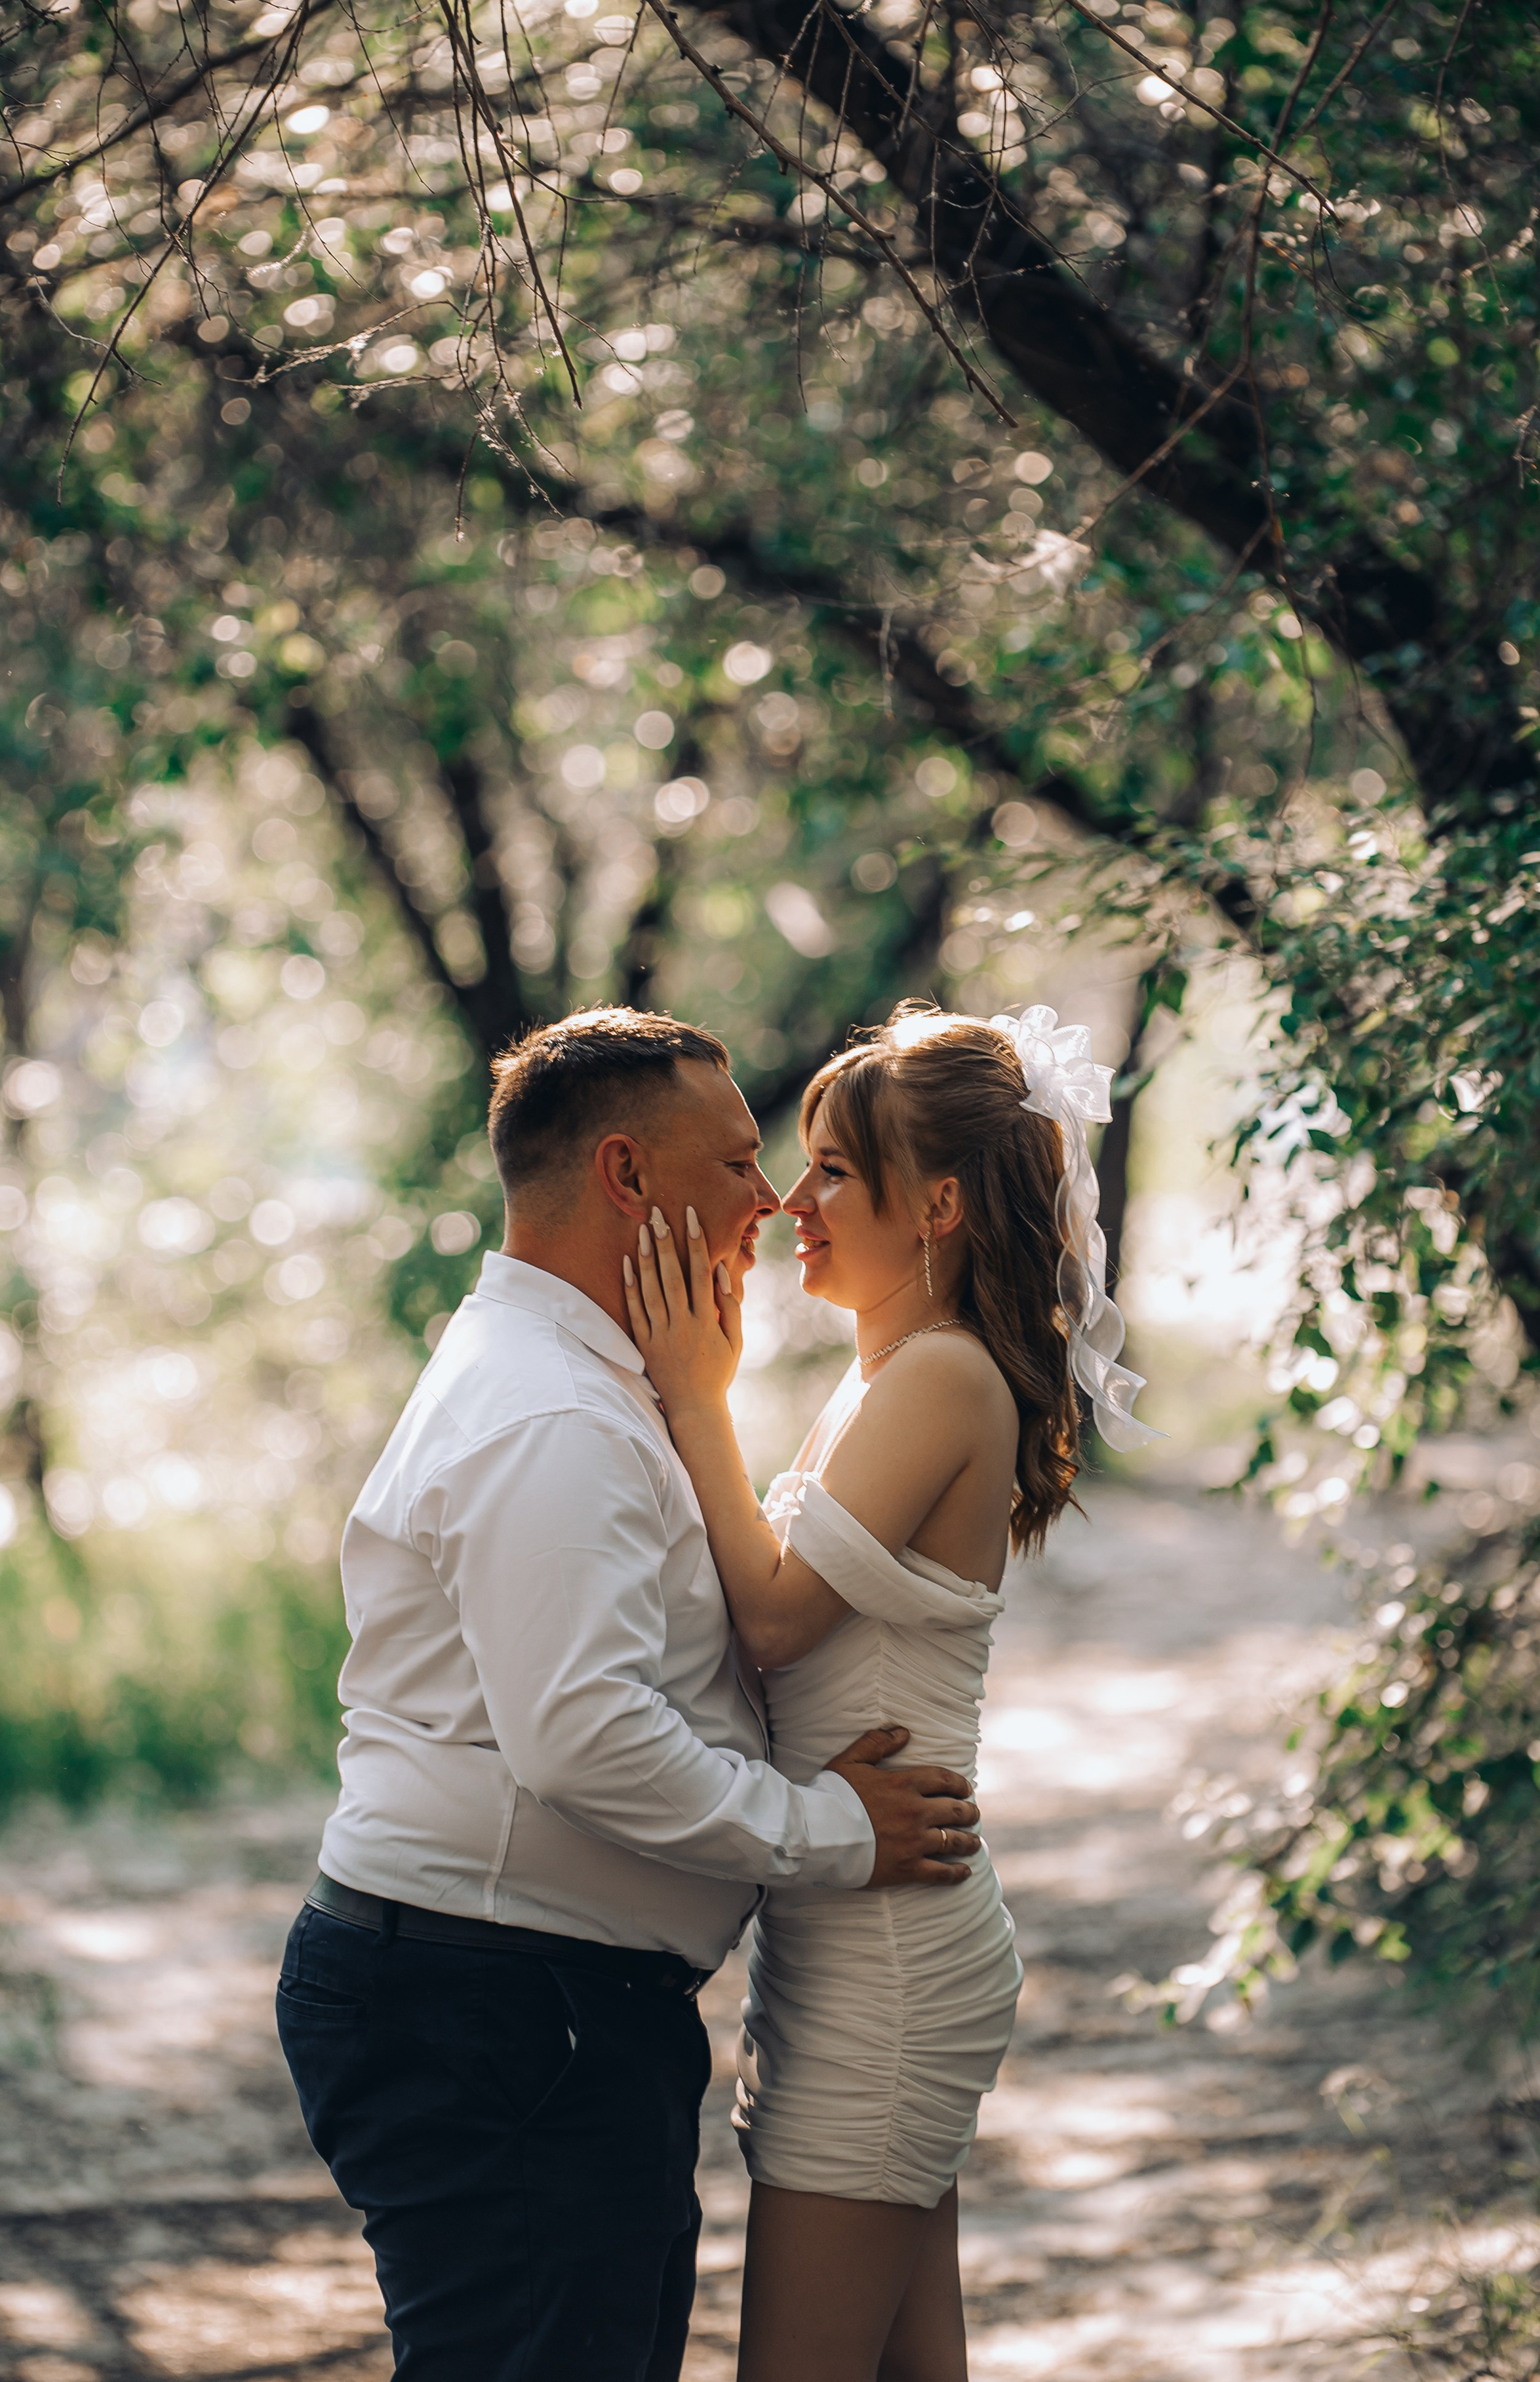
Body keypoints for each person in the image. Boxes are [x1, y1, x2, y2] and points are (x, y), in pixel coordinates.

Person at [274, 1006, 987, 2382]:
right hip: (496, 2002)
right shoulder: (555, 1413)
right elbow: (586, 1740)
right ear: (624, 1174)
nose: (769, 1198)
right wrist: (832, 1832)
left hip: (526, 1998)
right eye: (737, 1161)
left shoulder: (589, 1385)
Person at [625, 1001, 1156, 2382]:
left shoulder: (940, 1378)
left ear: (937, 1205)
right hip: (859, 1935)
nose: (794, 1205)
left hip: (890, 1963)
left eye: (835, 1173)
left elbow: (774, 1617)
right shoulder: (881, 1381)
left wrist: (694, 1395)